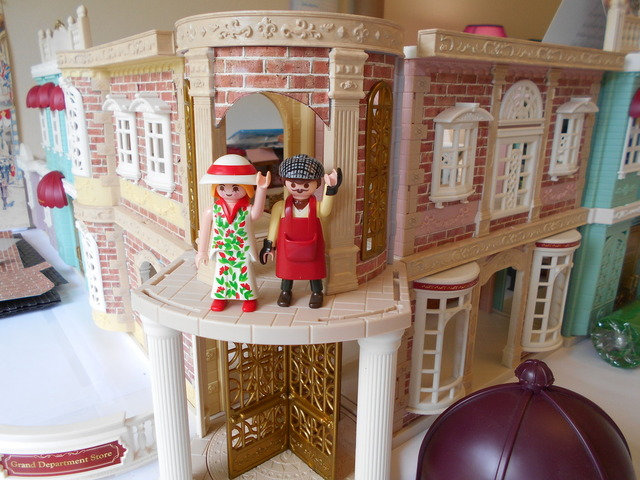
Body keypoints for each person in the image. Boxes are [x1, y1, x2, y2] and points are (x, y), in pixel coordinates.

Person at [260, 154, 342, 309]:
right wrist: (269, 245)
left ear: (317, 183)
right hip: (286, 245)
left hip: (312, 244)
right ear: (285, 182)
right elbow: (274, 226)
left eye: (306, 185)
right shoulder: (280, 206)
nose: (299, 188)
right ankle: (285, 291)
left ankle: (317, 292)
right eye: (293, 184)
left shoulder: (316, 206)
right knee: (287, 270)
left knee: (314, 270)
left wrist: (330, 188)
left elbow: (325, 211)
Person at [195, 154, 270, 313]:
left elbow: (257, 213)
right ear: (215, 188)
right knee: (222, 273)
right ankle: (220, 297)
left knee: (244, 273)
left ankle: (249, 298)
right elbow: (205, 231)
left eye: (235, 188)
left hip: (242, 249)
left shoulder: (246, 210)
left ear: (246, 189)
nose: (228, 192)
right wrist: (201, 252)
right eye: (222, 187)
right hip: (222, 249)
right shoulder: (212, 210)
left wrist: (262, 189)